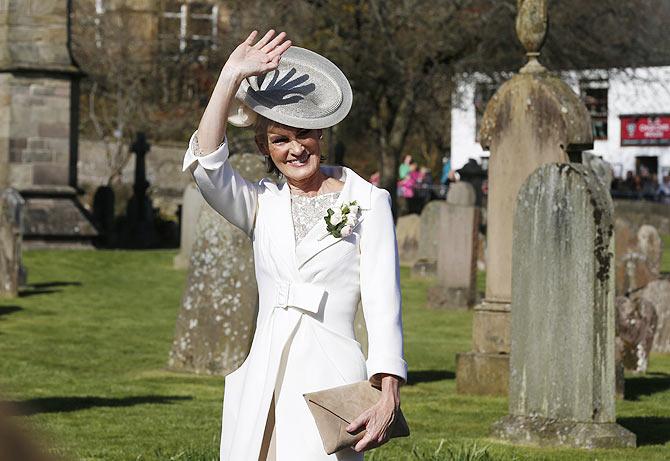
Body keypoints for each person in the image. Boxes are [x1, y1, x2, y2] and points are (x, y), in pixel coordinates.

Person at [182, 30, 407, 461]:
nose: (295, 149)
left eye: (303, 135)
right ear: (264, 147)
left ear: (320, 134)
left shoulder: (368, 203)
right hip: (263, 374)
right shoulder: (259, 203)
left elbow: (384, 303)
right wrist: (229, 77)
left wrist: (388, 390)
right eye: (280, 140)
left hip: (330, 376)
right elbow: (208, 166)